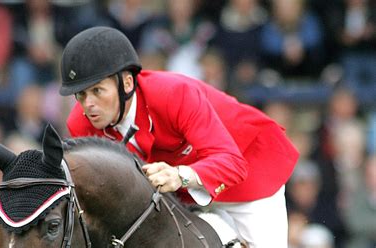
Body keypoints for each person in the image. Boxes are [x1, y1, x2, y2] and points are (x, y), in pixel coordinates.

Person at [59, 26, 299, 247]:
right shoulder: (81, 124)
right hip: (179, 194)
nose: (88, 105)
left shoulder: (172, 93)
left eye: (97, 91)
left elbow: (232, 164)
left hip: (248, 170)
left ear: (127, 83)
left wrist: (181, 176)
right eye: (80, 95)